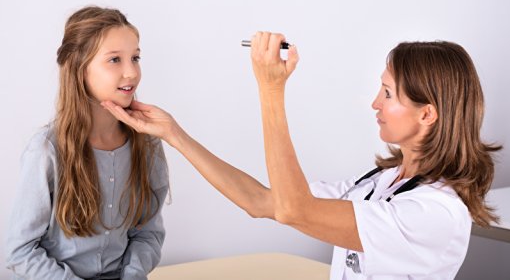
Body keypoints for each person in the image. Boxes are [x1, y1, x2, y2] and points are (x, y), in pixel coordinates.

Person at [101, 32, 501, 279]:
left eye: (389, 93)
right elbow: (263, 202)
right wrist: (174, 134)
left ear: (427, 114)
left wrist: (271, 90)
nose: (375, 103)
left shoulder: (434, 212)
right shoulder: (381, 184)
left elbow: (294, 210)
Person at [5, 6, 170, 280]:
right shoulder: (46, 150)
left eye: (135, 58)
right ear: (80, 69)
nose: (131, 72)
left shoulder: (148, 144)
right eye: (115, 60)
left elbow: (148, 233)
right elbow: (21, 251)